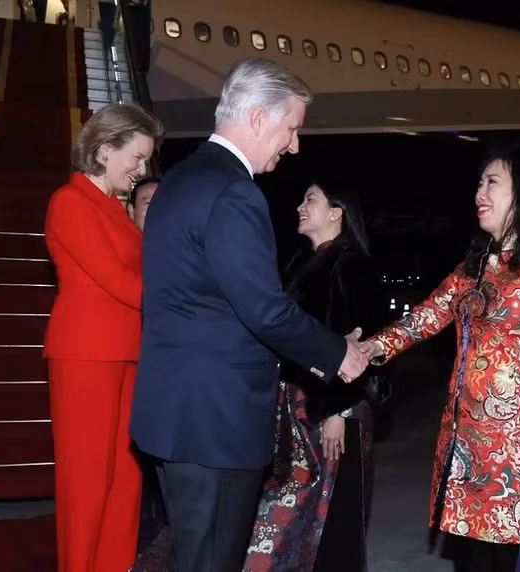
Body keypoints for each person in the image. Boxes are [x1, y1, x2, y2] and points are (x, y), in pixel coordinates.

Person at [128, 57, 370, 572]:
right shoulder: (234, 191)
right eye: (292, 128)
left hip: (174, 414)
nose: (294, 144)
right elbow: (264, 309)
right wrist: (338, 353)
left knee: (195, 556)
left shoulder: (180, 180)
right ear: (260, 118)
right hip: (216, 423)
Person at [361, 144, 520, 571]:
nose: (479, 192)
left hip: (519, 455)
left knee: (512, 561)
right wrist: (375, 348)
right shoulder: (477, 265)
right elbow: (430, 313)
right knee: (472, 561)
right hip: (464, 450)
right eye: (479, 182)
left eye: (492, 183)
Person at [43, 102, 164, 572]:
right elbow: (117, 282)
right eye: (135, 157)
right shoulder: (69, 201)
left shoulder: (113, 210)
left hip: (129, 354)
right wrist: (181, 306)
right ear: (104, 150)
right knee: (87, 482)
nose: (140, 169)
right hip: (86, 356)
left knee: (124, 482)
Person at [244, 178, 387, 571]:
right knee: (289, 511)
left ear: (336, 212)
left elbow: (363, 343)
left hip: (331, 407)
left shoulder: (352, 264)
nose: (300, 207)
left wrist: (339, 411)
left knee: (332, 511)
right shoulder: (301, 262)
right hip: (294, 407)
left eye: (311, 199)